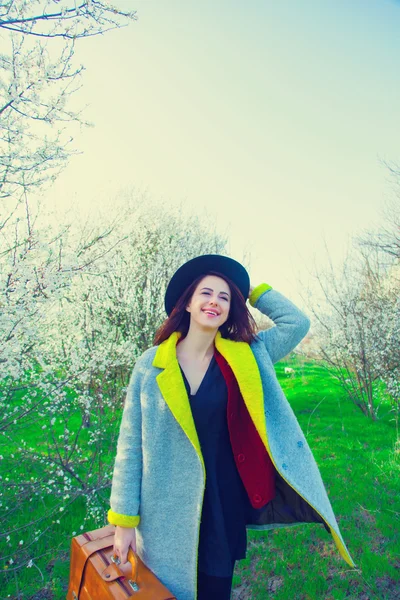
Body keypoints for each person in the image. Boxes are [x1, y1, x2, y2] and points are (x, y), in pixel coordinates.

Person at [108, 254, 356, 600]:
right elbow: (130, 446)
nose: (214, 302)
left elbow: (296, 323)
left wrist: (248, 288)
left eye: (224, 297)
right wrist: (124, 521)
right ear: (188, 303)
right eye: (206, 293)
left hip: (222, 504)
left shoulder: (248, 355)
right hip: (164, 510)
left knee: (214, 590)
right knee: (166, 591)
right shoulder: (150, 366)